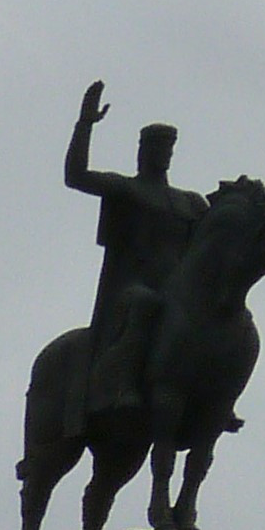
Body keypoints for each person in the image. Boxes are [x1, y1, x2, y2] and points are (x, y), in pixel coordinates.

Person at [63, 81, 208, 430]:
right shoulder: (127, 189)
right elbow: (76, 176)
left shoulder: (191, 202)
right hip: (132, 290)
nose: (163, 155)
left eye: (168, 149)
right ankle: (121, 386)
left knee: (210, 319)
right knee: (144, 304)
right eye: (156, 148)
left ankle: (213, 398)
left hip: (176, 291)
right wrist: (85, 125)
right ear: (142, 152)